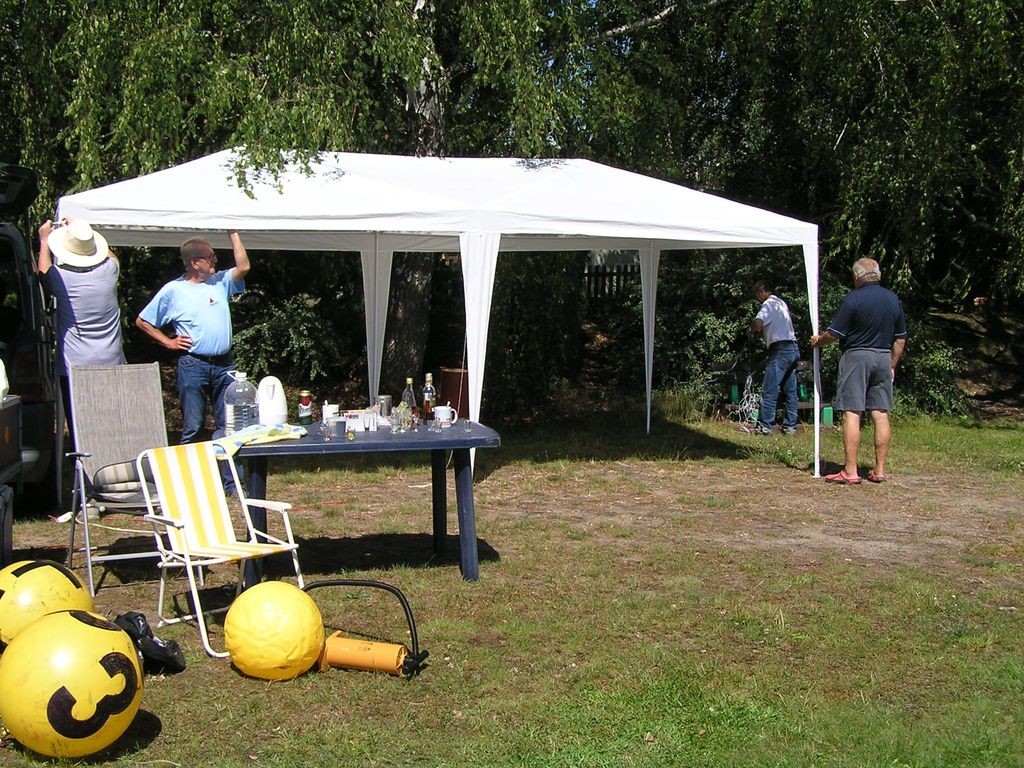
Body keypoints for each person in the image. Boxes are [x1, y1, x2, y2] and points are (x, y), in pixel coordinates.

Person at [135, 232, 250, 490]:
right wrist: (167, 342)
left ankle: (232, 485)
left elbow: (243, 267)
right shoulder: (174, 290)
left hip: (224, 365)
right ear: (195, 263)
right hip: (193, 365)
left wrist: (233, 233)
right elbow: (143, 321)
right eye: (211, 257)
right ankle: (192, 486)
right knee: (193, 427)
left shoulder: (220, 282)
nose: (215, 261)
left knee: (229, 427)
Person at [809, 257, 907, 485]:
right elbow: (901, 338)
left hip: (857, 356)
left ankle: (850, 471)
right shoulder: (893, 299)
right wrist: (892, 365)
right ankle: (879, 470)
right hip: (883, 356)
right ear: (878, 274)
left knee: (852, 411)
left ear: (856, 276)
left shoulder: (853, 299)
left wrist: (818, 341)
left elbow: (834, 334)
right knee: (880, 413)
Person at [37, 218, 125, 443]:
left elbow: (43, 272)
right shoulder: (110, 271)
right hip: (112, 362)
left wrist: (44, 240)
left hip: (75, 366)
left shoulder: (61, 278)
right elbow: (110, 255)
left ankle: (83, 462)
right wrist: (85, 233)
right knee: (110, 424)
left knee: (80, 426)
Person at [749, 280, 800, 435]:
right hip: (793, 348)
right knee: (790, 391)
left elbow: (758, 323)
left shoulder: (768, 305)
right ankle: (790, 427)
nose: (758, 299)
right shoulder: (781, 303)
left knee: (770, 389)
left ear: (762, 292)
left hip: (780, 350)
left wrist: (751, 330)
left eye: (757, 295)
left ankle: (765, 427)